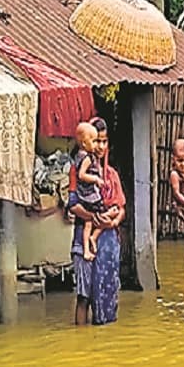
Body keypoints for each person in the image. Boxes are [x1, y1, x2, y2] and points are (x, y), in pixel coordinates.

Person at [68, 118, 126, 326]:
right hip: (83, 237)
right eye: (97, 141)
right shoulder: (77, 171)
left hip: (109, 240)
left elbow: (121, 209)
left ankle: (102, 347)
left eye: (104, 141)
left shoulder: (112, 175)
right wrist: (94, 217)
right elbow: (72, 205)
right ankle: (82, 344)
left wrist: (112, 221)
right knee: (83, 296)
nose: (100, 146)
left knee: (108, 292)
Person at [74, 119, 106, 261]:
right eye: (94, 141)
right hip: (88, 195)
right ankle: (90, 243)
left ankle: (89, 245)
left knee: (91, 221)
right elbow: (81, 175)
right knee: (98, 217)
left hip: (85, 195)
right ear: (84, 143)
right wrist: (96, 180)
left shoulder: (79, 157)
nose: (97, 146)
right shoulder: (87, 159)